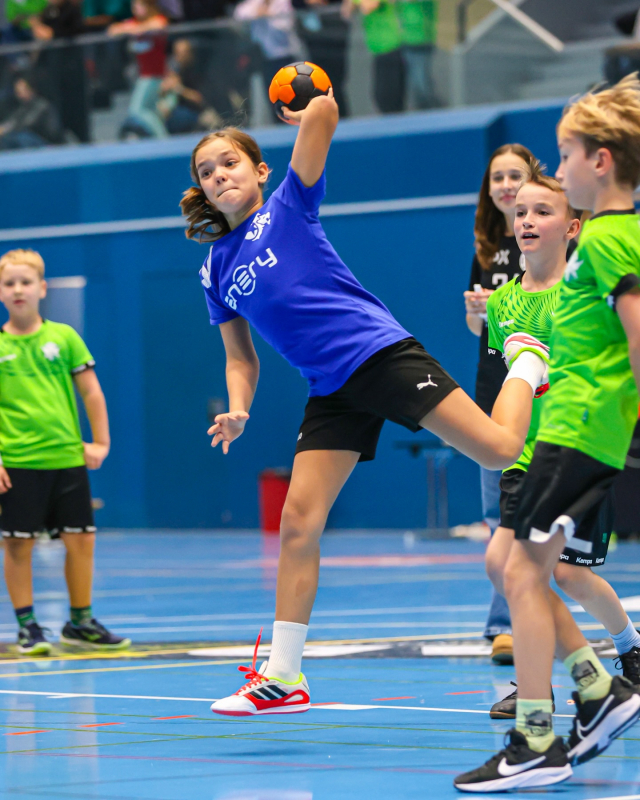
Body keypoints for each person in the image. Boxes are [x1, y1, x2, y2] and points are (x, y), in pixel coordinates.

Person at [180, 92, 550, 718]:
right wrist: (240, 406)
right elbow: (241, 358)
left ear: (259, 170)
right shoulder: (215, 267)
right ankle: (283, 675)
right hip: (330, 388)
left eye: (229, 163)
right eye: (206, 172)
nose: (219, 177)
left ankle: (529, 360)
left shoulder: (289, 206)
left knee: (498, 446)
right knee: (299, 521)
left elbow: (324, 113)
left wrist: (309, 108)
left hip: (380, 355)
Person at [454, 74, 640, 793]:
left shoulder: (606, 245)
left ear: (599, 162)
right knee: (517, 566)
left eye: (563, 157)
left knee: (527, 572)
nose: (554, 171)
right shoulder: (598, 249)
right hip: (573, 431)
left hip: (579, 430)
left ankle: (538, 737)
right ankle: (592, 697)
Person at [485, 165, 640, 723]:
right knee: (513, 570)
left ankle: (626, 651)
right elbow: (514, 384)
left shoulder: (584, 286)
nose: (526, 220)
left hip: (574, 447)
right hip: (523, 456)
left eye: (541, 211)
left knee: (566, 575)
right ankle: (548, 695)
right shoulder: (502, 305)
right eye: (520, 211)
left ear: (572, 226)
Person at [0, 249, 130, 657]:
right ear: (1, 292)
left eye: (25, 282)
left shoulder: (64, 337)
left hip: (67, 459)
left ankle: (81, 622)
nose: (18, 289)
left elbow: (92, 392)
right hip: (17, 462)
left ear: (42, 288)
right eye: (9, 283)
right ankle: (27, 626)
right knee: (19, 545)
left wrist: (101, 442)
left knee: (81, 540)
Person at [464, 144, 534, 665]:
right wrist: (479, 314)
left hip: (541, 393)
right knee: (498, 515)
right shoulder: (485, 248)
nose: (507, 186)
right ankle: (504, 623)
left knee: (534, 516)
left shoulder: (553, 239)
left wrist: (507, 302)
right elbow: (482, 334)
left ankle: (530, 615)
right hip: (493, 390)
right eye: (498, 178)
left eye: (516, 176)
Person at [234, 0, 302, 123]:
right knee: (274, 101)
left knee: (292, 98)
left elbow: (287, 27)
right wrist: (256, 14)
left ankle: (296, 125)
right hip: (265, 60)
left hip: (285, 57)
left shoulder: (283, 3)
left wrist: (269, 17)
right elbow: (239, 15)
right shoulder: (252, 5)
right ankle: (280, 126)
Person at [109, 0, 169, 138]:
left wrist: (134, 28)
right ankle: (160, 138)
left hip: (155, 75)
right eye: (134, 6)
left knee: (137, 110)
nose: (135, 9)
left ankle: (162, 138)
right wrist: (131, 27)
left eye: (139, 5)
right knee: (150, 110)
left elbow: (160, 25)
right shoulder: (134, 23)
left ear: (149, 6)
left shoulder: (158, 19)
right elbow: (112, 30)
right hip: (143, 75)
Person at [344, 0, 404, 114]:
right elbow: (346, 10)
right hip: (379, 50)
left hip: (390, 47)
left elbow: (368, 6)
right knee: (382, 98)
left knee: (387, 98)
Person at [0, 74, 62, 149]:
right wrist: (3, 128)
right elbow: (13, 120)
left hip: (45, 141)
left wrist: (6, 130)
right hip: (27, 138)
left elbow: (27, 123)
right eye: (18, 92)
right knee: (5, 139)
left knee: (21, 137)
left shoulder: (41, 105)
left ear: (31, 89)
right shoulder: (22, 107)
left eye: (22, 91)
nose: (19, 95)